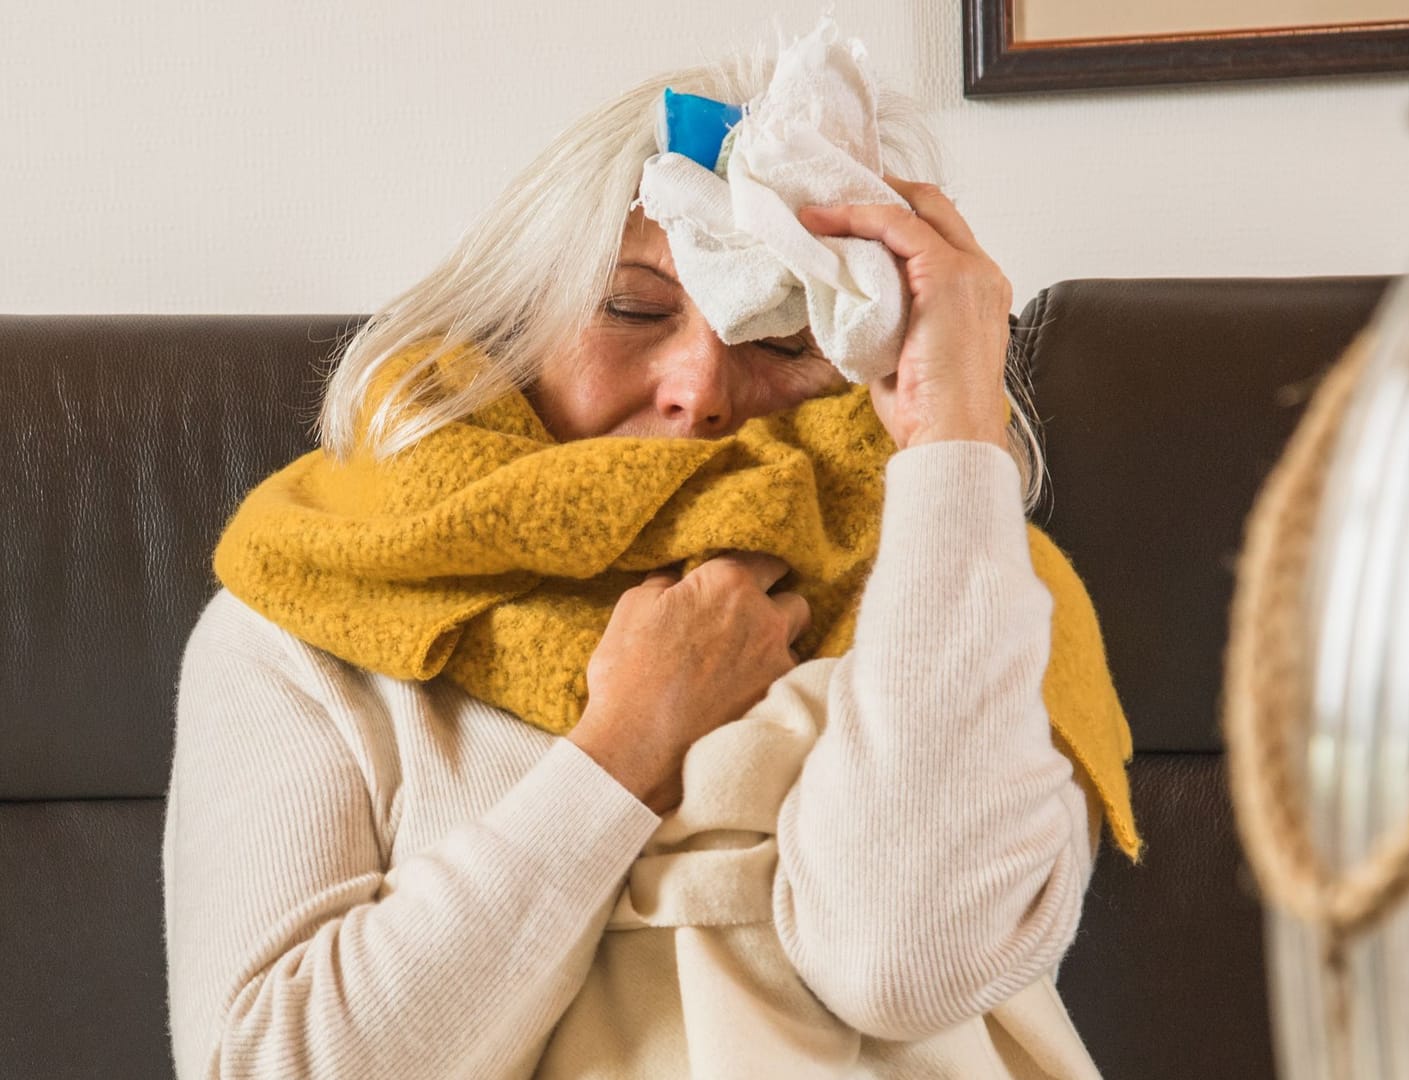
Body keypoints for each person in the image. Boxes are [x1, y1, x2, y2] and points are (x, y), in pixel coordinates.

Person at [162, 43, 1135, 1080]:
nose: (700, 389)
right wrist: (626, 746)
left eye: (781, 330)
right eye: (633, 310)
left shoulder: (972, 581)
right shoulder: (313, 606)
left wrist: (955, 436)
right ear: (518, 317)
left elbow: (908, 965)